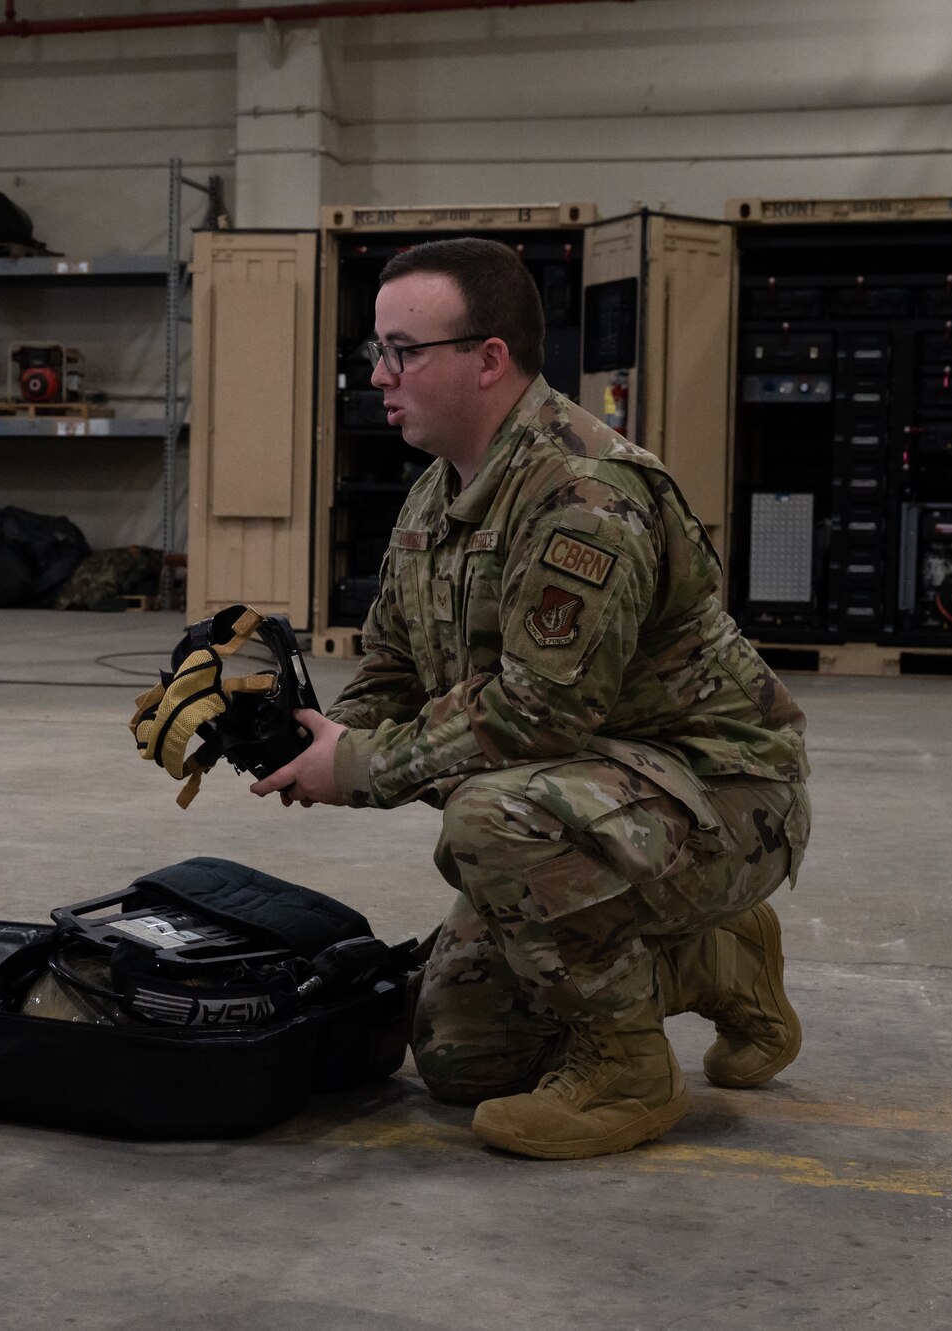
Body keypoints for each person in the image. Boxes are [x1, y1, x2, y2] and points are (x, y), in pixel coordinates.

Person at [251, 238, 810, 1160]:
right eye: (375, 353)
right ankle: (717, 956)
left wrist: (356, 767)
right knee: (462, 1055)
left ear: (489, 359)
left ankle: (627, 1070)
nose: (379, 376)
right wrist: (303, 735)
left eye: (402, 351)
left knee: (487, 819)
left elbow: (537, 714)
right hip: (600, 790)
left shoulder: (583, 492)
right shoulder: (438, 497)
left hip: (726, 795)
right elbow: (394, 666)